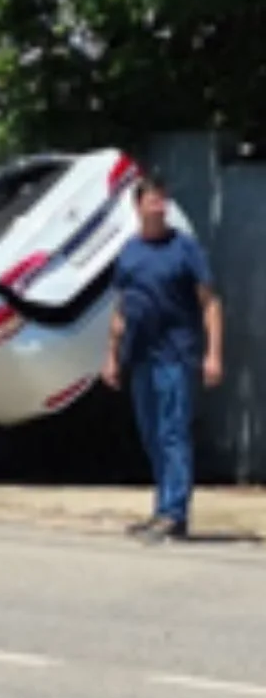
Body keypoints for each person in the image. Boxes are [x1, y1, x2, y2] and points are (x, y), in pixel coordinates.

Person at [103, 173, 223, 542]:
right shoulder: (129, 252)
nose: (160, 204)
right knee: (152, 435)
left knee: (173, 433)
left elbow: (211, 303)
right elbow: (121, 309)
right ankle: (161, 510)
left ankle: (175, 514)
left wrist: (213, 354)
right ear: (138, 206)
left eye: (163, 199)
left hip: (177, 355)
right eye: (153, 198)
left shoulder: (184, 248)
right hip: (140, 357)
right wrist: (111, 357)